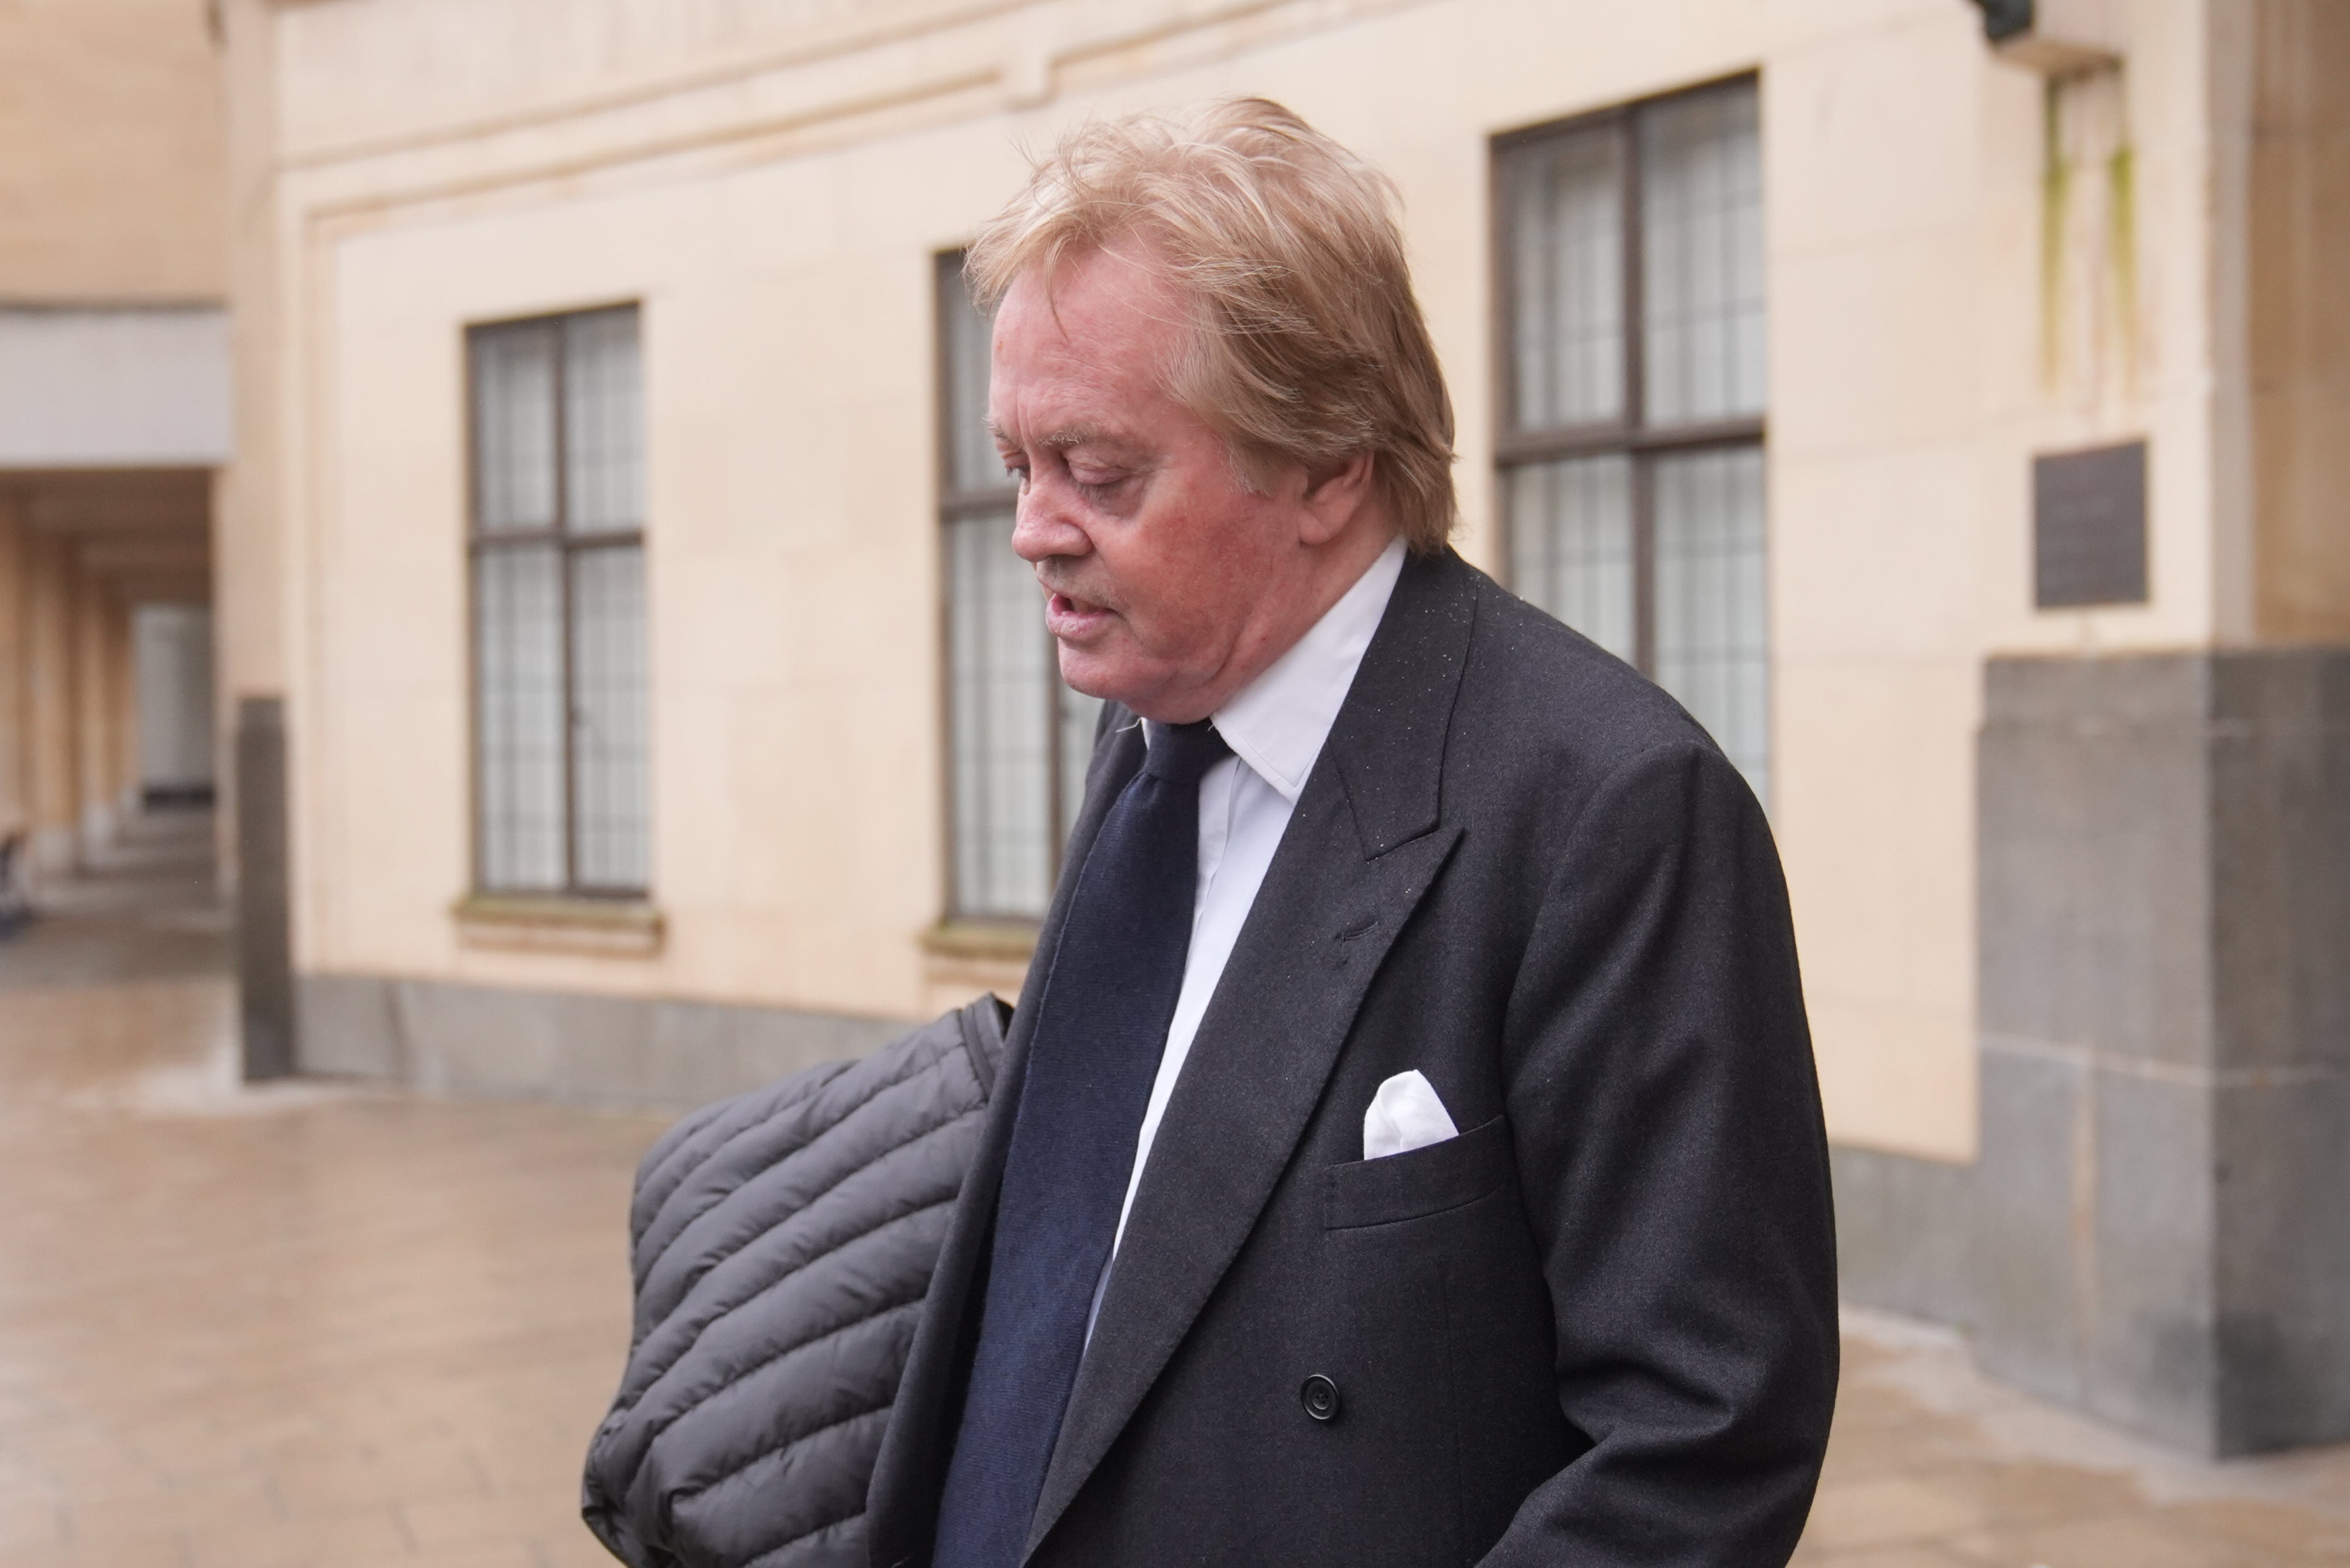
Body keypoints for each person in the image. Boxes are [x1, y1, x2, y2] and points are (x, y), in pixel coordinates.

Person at [867, 97, 1837, 1568]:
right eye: (1018, 465)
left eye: (1101, 471)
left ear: (1325, 463)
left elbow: (1700, 1443)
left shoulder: (1613, 812)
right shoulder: (1142, 735)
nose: (1034, 528)